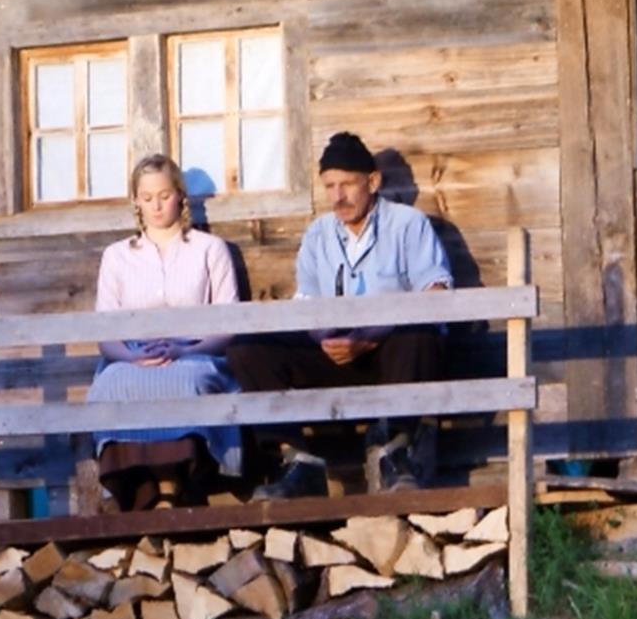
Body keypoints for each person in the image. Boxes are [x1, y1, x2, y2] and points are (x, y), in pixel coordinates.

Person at [227, 132, 453, 498]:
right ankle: (297, 462)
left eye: (347, 184)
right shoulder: (318, 234)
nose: (338, 196)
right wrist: (326, 339)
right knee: (247, 350)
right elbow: (307, 303)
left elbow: (436, 292)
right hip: (333, 354)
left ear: (373, 181)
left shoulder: (407, 225)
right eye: (329, 186)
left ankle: (397, 454)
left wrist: (369, 338)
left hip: (389, 355)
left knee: (419, 334)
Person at [87, 153, 243, 510]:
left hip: (195, 350)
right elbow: (105, 331)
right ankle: (134, 489)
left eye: (164, 195)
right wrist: (132, 356)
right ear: (136, 202)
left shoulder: (209, 250)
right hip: (133, 354)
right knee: (114, 384)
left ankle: (174, 484)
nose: (156, 206)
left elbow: (229, 322)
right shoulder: (117, 256)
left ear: (180, 197)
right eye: (147, 198)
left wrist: (188, 350)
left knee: (184, 381)